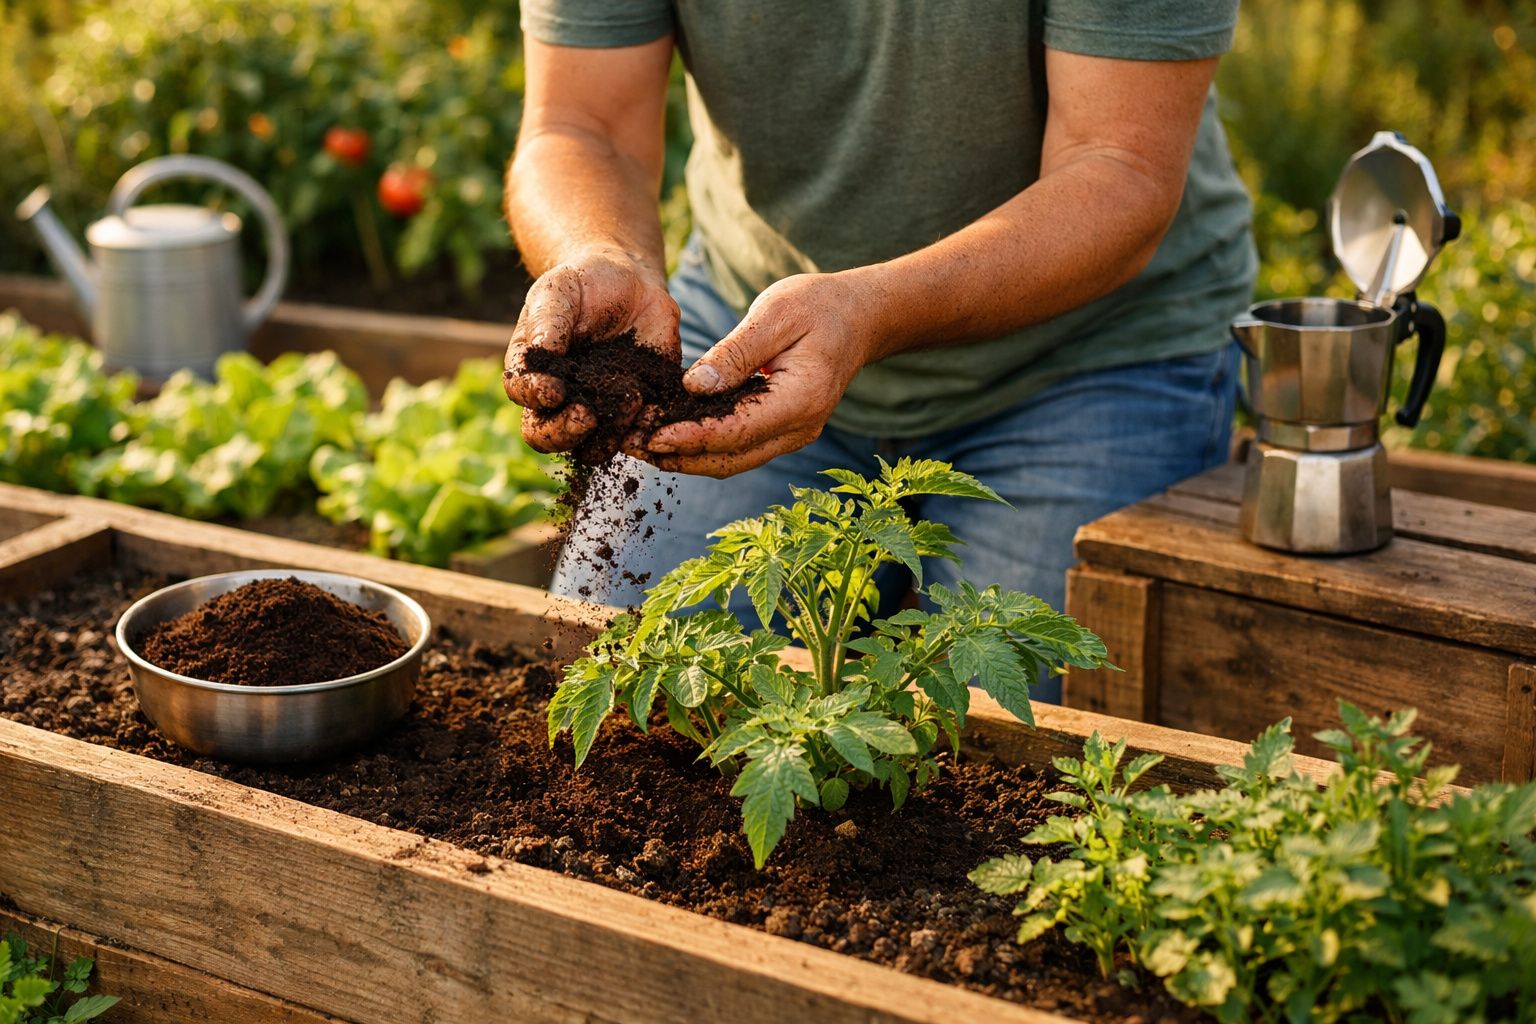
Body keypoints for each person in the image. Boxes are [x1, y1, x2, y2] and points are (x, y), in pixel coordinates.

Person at [501, 2, 1255, 702]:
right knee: (626, 685)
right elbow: (578, 124)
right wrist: (601, 252)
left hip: (1089, 358)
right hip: (740, 333)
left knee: (1006, 752)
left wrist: (866, 313)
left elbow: (1119, 166)